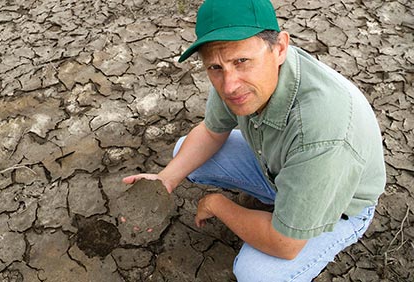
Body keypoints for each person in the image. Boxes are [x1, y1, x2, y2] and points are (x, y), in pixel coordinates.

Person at [123, 0, 386, 280]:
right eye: (215, 68)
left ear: (280, 48)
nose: (229, 85)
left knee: (255, 274)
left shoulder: (321, 133)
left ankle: (312, 220)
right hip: (280, 169)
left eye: (242, 61)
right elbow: (212, 132)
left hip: (341, 205)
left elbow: (284, 244)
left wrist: (217, 205)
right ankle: (282, 202)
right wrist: (165, 181)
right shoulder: (236, 78)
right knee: (183, 155)